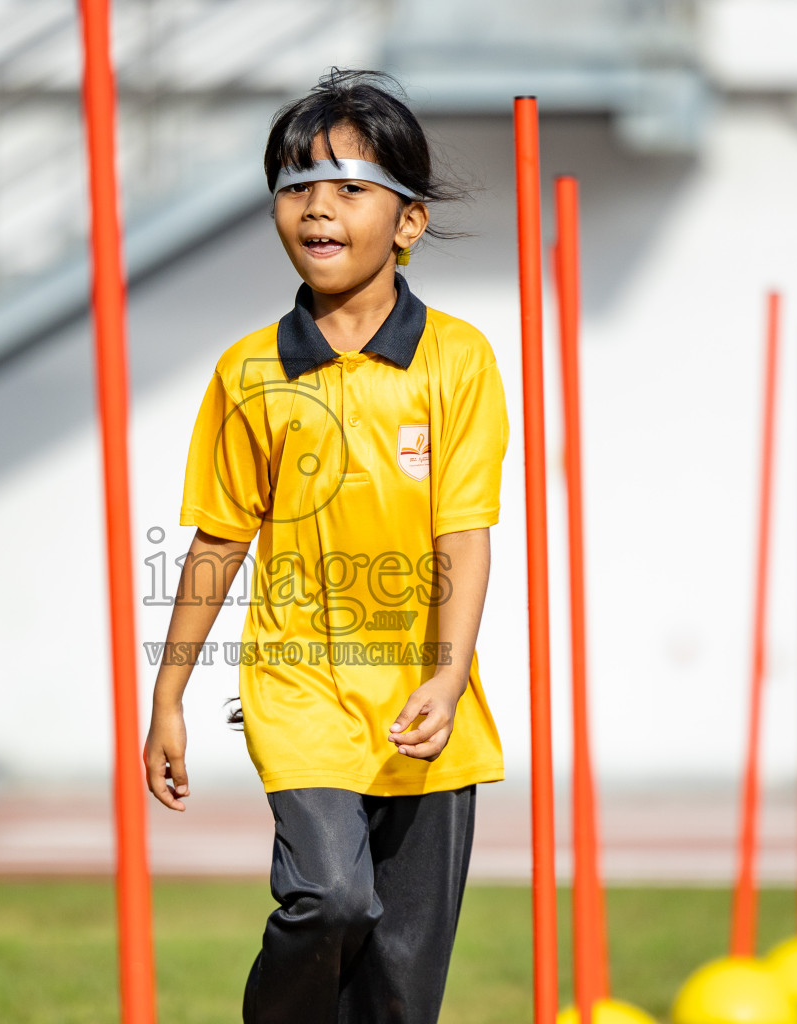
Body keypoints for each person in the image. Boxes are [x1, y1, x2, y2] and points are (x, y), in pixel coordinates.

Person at [143, 69, 510, 1024]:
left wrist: (446, 673)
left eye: (350, 186)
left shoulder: (458, 360)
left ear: (409, 222)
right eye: (298, 185)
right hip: (297, 684)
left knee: (400, 986)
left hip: (427, 703)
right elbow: (219, 542)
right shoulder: (249, 371)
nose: (318, 208)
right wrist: (169, 696)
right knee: (330, 897)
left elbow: (462, 541)